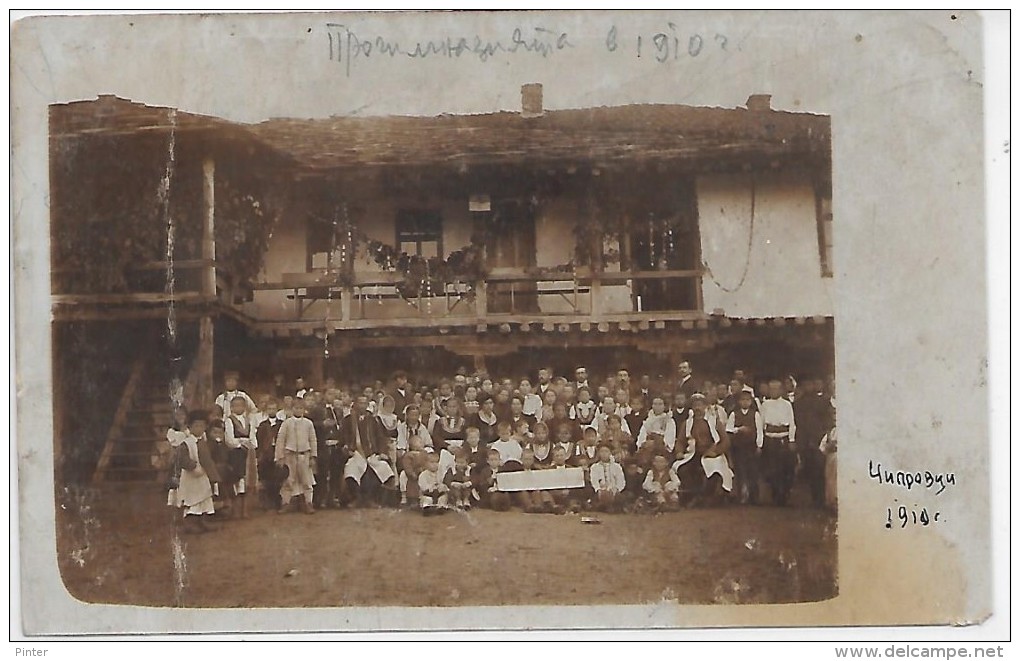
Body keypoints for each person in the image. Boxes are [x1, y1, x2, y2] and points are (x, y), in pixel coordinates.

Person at [676, 393, 734, 505]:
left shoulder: (714, 422)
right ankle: (692, 496)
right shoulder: (687, 423)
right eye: (695, 405)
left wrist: (715, 451)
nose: (697, 408)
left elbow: (725, 441)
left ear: (705, 407)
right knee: (683, 469)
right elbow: (680, 441)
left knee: (714, 471)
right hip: (693, 453)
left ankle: (707, 497)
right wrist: (679, 451)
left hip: (711, 453)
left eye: (700, 405)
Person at [341, 395, 397, 507]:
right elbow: (344, 437)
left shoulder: (373, 420)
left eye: (364, 403)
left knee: (381, 467)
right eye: (360, 403)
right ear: (355, 404)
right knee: (352, 470)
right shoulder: (348, 420)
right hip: (356, 452)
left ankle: (371, 499)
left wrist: (382, 452)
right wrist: (347, 448)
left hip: (372, 453)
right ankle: (357, 498)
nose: (362, 406)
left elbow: (380, 437)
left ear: (367, 405)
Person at [170, 412, 219, 533]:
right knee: (192, 500)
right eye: (196, 426)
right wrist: (192, 466)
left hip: (203, 476)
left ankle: (202, 522)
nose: (199, 429)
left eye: (202, 426)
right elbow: (182, 458)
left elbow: (208, 458)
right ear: (189, 427)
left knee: (204, 498)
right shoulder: (186, 443)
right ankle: (189, 524)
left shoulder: (204, 441)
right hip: (191, 476)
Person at [794, 377, 835, 508]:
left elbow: (827, 420)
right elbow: (797, 423)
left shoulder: (823, 401)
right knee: (811, 470)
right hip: (805, 440)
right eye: (805, 385)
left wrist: (823, 435)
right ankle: (815, 498)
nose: (808, 387)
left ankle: (822, 498)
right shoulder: (798, 403)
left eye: (810, 384)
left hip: (819, 439)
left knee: (820, 469)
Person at [274, 398, 318, 514]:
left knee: (306, 481)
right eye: (296, 408)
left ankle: (308, 503)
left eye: (301, 408)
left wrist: (313, 456)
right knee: (289, 480)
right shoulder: (287, 423)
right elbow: (280, 440)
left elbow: (313, 440)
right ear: (292, 409)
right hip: (290, 455)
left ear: (304, 409)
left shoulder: (308, 423)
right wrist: (280, 456)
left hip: (304, 455)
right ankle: (286, 503)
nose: (298, 410)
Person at [759, 379, 798, 506]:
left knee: (785, 468)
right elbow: (761, 424)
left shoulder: (787, 404)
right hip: (770, 438)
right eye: (771, 388)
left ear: (781, 390)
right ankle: (776, 494)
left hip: (783, 438)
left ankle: (784, 494)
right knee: (772, 469)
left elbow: (792, 423)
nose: (774, 391)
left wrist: (791, 440)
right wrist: (761, 441)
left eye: (776, 388)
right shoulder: (765, 405)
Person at [726, 390, 764, 505]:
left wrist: (759, 445)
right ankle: (741, 496)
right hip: (739, 447)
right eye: (742, 400)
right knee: (740, 471)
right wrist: (739, 429)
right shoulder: (734, 414)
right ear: (739, 402)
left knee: (753, 471)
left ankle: (754, 497)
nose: (745, 402)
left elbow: (759, 431)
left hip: (751, 446)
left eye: (747, 400)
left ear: (751, 401)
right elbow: (728, 429)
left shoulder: (755, 414)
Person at [224, 395, 258, 519]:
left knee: (247, 480)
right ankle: (235, 510)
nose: (239, 408)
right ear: (232, 407)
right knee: (237, 480)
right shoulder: (229, 420)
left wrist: (251, 444)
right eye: (236, 406)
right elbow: (229, 439)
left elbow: (253, 436)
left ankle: (245, 510)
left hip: (248, 453)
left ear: (245, 407)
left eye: (241, 405)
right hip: (236, 453)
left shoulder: (249, 420)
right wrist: (241, 442)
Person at [636, 397, 677, 467]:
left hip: (662, 449)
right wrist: (643, 444)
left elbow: (669, 438)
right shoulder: (648, 420)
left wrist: (656, 443)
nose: (657, 407)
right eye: (655, 404)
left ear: (664, 406)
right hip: (647, 447)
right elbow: (642, 435)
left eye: (660, 404)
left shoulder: (669, 420)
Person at [514, 448, 556, 513]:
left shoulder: (536, 470)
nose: (528, 461)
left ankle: (542, 507)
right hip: (522, 491)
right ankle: (530, 507)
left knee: (538, 492)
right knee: (524, 493)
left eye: (530, 459)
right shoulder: (516, 470)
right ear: (521, 459)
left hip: (534, 489)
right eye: (526, 459)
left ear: (533, 460)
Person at [589, 444, 627, 512]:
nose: (604, 454)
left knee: (622, 497)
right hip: (601, 491)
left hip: (614, 491)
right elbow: (594, 481)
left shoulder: (617, 466)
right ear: (599, 454)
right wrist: (599, 490)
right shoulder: (594, 467)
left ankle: (612, 507)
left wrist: (616, 489)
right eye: (602, 452)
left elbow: (621, 481)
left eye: (606, 451)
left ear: (610, 453)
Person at [398, 433, 430, 507]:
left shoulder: (424, 453)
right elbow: (407, 465)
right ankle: (404, 497)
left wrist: (424, 469)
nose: (422, 443)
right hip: (411, 473)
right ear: (413, 446)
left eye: (421, 442)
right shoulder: (409, 455)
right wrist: (411, 473)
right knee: (403, 476)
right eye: (419, 442)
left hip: (421, 472)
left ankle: (422, 498)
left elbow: (427, 463)